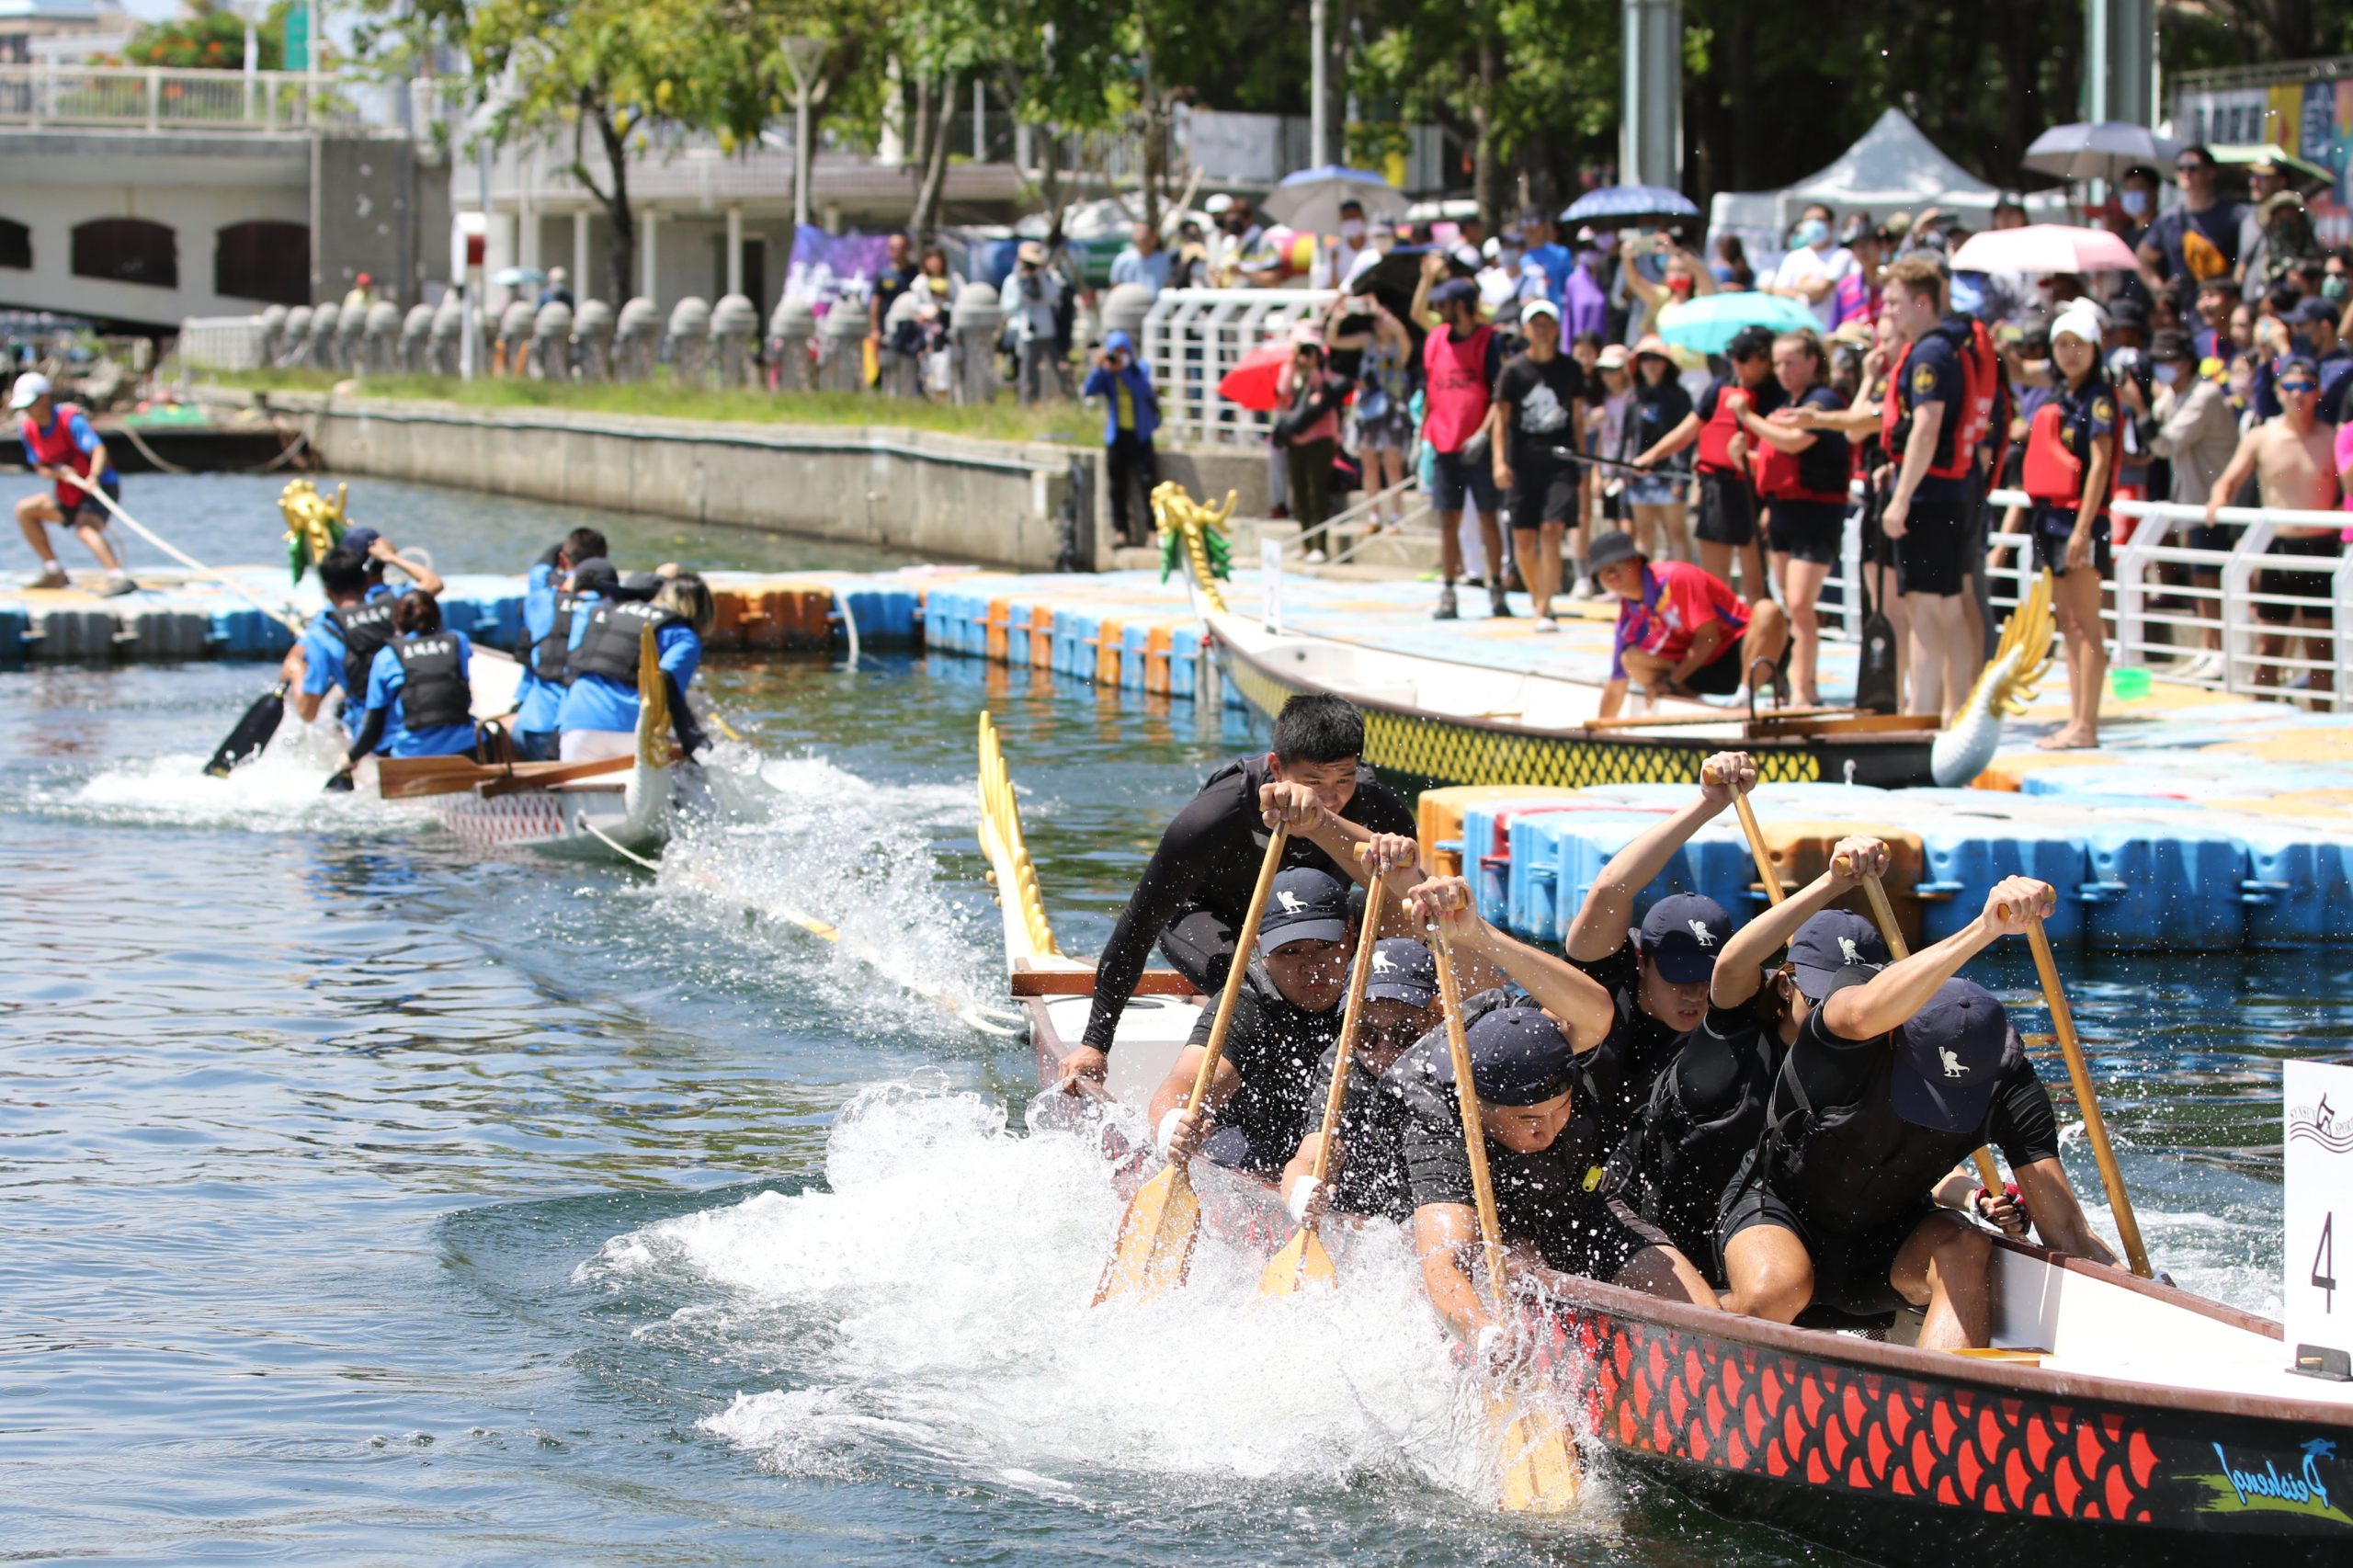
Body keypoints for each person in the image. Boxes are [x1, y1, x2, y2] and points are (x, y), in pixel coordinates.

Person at [1717, 877, 2120, 1350]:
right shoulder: (1847, 1034)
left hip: (1888, 1242)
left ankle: (1945, 1400)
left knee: (1968, 1246)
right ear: (1895, 1037)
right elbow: (1862, 1007)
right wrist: (1985, 928)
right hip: (1780, 1216)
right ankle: (1703, 1312)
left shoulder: (2009, 1082)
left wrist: (2145, 1298)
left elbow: (2067, 1231)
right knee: (1777, 1291)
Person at [1390, 874, 1720, 1349]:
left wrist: (1479, 933)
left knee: (1701, 1322)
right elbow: (1443, 1264)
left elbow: (1597, 1011)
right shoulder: (1442, 1124)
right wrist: (1485, 1337)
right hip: (1492, 1235)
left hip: (1579, 1207)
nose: (1548, 1129)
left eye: (1560, 1109)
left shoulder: (1552, 1046)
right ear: (1481, 1108)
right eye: (1527, 1120)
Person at [1065, 694, 1420, 1085]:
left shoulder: (1380, 811)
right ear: (1276, 767)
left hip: (1307, 923)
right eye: (1313, 782)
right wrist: (1095, 1043)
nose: (1331, 797)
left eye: (1344, 779)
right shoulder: (1217, 813)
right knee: (1260, 985)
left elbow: (1412, 921)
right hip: (1208, 918)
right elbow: (1140, 922)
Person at [1615, 836, 1891, 1276]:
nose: (1834, 1016)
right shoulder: (1734, 1034)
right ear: (1785, 985)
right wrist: (1832, 882)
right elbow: (1730, 966)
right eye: (1819, 999)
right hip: (1656, 1226)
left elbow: (1894, 1154)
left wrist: (1968, 1196)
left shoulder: (1872, 1058)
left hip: (1763, 1232)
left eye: (1850, 1002)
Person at [1556, 751, 1755, 1148]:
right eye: (1680, 975)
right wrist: (1709, 804)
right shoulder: (1606, 974)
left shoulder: (1733, 1003)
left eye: (1705, 977)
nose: (1696, 993)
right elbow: (1611, 888)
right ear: (1641, 960)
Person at [1148, 868, 1358, 1179]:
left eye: (1324, 946)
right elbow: (1187, 1079)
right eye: (1291, 952)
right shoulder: (1245, 1001)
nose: (1311, 966)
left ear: (1351, 933)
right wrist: (1172, 1123)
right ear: (1262, 950)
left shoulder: (1378, 987)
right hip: (1256, 1155)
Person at [1878, 255, 1983, 723]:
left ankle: (1922, 718)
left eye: (1896, 302)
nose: (1889, 310)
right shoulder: (1953, 346)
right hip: (1954, 491)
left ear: (1923, 302)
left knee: (1924, 611)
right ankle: (1954, 712)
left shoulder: (1930, 353)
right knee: (1949, 607)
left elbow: (1926, 427)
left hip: (1928, 497)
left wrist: (1900, 500)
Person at [1275, 937, 1444, 1226]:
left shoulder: (1462, 1057)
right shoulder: (1342, 1064)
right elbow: (1310, 1155)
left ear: (1436, 1016)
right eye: (1367, 1035)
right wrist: (1302, 1190)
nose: (1385, 1051)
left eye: (1406, 1034)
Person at [2207, 358, 2342, 697]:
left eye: (2307, 386)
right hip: (2276, 548)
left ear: (2319, 392)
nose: (2298, 395)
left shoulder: (2330, 438)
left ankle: (2321, 724)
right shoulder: (2261, 437)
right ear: (2279, 391)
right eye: (2291, 387)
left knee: (2320, 650)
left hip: (2321, 548)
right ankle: (2262, 714)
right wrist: (2218, 500)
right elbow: (2227, 480)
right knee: (2269, 647)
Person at [2016, 306, 2118, 751]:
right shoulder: (2062, 393)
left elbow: (2100, 465)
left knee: (2086, 624)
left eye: (2079, 344)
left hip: (2081, 518)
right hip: (2050, 517)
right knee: (2069, 624)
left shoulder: (2098, 396)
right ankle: (2076, 720)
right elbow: (2018, 369)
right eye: (2062, 344)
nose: (2070, 353)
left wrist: (2082, 530)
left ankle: (2086, 724)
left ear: (2095, 348)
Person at [1636, 324, 1783, 602]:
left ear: (1764, 358)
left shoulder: (1778, 393)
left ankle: (1757, 641)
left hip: (1755, 490)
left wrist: (1748, 436)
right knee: (1715, 584)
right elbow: (1690, 428)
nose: (1735, 363)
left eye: (1743, 356)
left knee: (1755, 586)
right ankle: (1721, 642)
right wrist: (1652, 455)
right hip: (1717, 487)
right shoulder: (1720, 386)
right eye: (1733, 355)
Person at [1742, 330, 1850, 707]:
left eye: (1791, 362)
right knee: (1791, 604)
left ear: (1811, 363)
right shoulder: (1786, 402)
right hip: (1786, 512)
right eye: (1778, 363)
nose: (1783, 370)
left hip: (1816, 513)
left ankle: (1804, 687)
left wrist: (1747, 419)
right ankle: (1798, 682)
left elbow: (1793, 441)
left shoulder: (1822, 402)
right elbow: (1781, 459)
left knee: (1802, 604)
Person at [1590, 528, 1788, 719]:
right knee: (1631, 659)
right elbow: (1617, 686)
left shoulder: (1676, 577)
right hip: (1696, 670)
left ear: (1637, 560)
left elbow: (1709, 639)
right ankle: (1690, 707)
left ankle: (1746, 698)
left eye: (1618, 565)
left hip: (1743, 654)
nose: (1612, 574)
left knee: (1767, 610)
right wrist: (1596, 734)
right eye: (1603, 571)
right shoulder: (1626, 618)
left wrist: (1671, 681)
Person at [1410, 259, 1507, 620]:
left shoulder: (1489, 340)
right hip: (1443, 443)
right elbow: (1432, 391)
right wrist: (1420, 438)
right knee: (1447, 520)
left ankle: (1496, 588)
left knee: (1487, 517)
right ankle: (1449, 591)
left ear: (1463, 306)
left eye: (1445, 304)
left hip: (1476, 445)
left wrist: (1483, 434)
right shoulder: (1436, 339)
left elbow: (1500, 396)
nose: (1438, 311)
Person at [2146, 329, 2240, 679]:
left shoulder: (2205, 394)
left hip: (2216, 500)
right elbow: (2150, 438)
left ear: (2185, 362)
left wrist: (2140, 406)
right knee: (2202, 577)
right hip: (2194, 500)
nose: (2162, 368)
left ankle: (2221, 652)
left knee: (2210, 577)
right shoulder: (2175, 395)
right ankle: (2208, 648)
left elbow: (2164, 444)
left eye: (2167, 360)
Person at [1490, 298, 1586, 629]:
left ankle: (1545, 605)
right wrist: (1499, 462)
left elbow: (1577, 420)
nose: (1542, 330)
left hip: (1559, 460)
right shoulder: (1513, 370)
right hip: (1522, 461)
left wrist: (1583, 463)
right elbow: (1500, 421)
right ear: (1526, 329)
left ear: (1557, 328)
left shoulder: (1570, 369)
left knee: (1552, 529)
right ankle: (1537, 597)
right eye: (1536, 324)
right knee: (1523, 539)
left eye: (1548, 323)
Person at [556, 568, 715, 762]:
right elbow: (665, 683)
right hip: (634, 731)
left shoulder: (599, 611)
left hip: (578, 724)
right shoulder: (683, 636)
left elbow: (572, 667)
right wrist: (691, 740)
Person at [324, 589, 478, 789]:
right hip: (466, 750)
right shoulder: (459, 642)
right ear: (438, 618)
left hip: (413, 757)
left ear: (396, 623)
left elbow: (374, 726)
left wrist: (350, 757)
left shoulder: (386, 657)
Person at [13, 372, 131, 595]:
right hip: (68, 489)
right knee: (25, 510)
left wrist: (93, 477)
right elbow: (41, 468)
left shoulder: (71, 420)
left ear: (45, 398)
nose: (28, 411)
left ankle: (118, 577)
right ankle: (54, 571)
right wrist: (57, 473)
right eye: (24, 406)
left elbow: (98, 449)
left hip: (98, 486)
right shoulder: (27, 430)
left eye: (31, 404)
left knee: (85, 528)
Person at [514, 527, 611, 761]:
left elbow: (539, 569)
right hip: (579, 729)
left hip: (533, 725)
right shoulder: (606, 608)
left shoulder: (541, 599)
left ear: (563, 559)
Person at [283, 545, 390, 735]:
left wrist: (297, 671)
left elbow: (308, 712)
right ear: (367, 583)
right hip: (422, 717)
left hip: (375, 734)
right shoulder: (396, 606)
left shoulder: (321, 634)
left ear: (326, 591)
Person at [1331, 293, 1415, 531]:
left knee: (1392, 465)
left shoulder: (1401, 346)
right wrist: (1337, 317)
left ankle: (1396, 516)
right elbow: (1333, 340)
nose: (1378, 322)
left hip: (1391, 411)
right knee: (1369, 465)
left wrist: (1381, 311)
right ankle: (1374, 516)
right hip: (1367, 411)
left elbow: (1401, 333)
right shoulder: (1366, 340)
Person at [2137, 146, 2245, 325]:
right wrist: (2160, 290)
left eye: (2193, 167)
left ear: (2210, 173)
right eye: (2180, 168)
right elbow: (2142, 258)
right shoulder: (2169, 219)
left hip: (2220, 317)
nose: (2186, 173)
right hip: (2182, 315)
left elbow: (2244, 263)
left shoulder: (2233, 216)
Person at [1620, 335, 1695, 564]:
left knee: (1676, 533)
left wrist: (1679, 479)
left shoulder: (1679, 396)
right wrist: (1623, 470)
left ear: (1666, 364)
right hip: (1638, 473)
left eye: (1656, 359)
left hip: (1669, 473)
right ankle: (1647, 590)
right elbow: (1627, 436)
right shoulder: (1634, 395)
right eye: (1645, 359)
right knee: (1644, 533)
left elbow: (1687, 437)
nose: (1651, 364)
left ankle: (1681, 586)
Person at [1081, 331, 1160, 549]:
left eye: (1123, 351)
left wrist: (1123, 371)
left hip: (1140, 434)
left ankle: (1153, 530)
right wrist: (1099, 368)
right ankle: (1121, 531)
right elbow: (1088, 390)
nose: (1119, 356)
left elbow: (1143, 390)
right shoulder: (1107, 373)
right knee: (1117, 486)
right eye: (1115, 352)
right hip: (1117, 435)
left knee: (1148, 484)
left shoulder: (1139, 368)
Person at [1273, 334, 1345, 559]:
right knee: (1300, 493)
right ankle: (1305, 543)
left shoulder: (1325, 373)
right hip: (1296, 440)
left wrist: (1317, 365)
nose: (1304, 357)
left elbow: (1330, 388)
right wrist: (1292, 362)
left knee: (1317, 492)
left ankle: (1319, 546)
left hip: (1321, 438)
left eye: (1307, 352)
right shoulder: (1295, 375)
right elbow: (1282, 390)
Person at [1768, 204, 1858, 331]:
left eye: (1820, 220)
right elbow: (1778, 292)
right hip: (1799, 330)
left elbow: (1822, 289)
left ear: (1831, 224)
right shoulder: (1793, 257)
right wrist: (1802, 293)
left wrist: (1792, 292)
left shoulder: (1842, 255)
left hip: (1830, 331)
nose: (1814, 224)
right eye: (1809, 220)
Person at [1003, 241, 1064, 404]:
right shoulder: (1013, 280)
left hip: (1048, 330)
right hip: (1027, 331)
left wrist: (1040, 276)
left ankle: (1064, 398)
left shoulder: (1049, 277)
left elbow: (1052, 298)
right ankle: (1028, 402)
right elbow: (1008, 305)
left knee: (1057, 368)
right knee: (1028, 372)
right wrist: (1020, 281)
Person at [1309, 199, 1373, 291]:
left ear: (1363, 218)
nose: (1351, 221)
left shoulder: (1374, 249)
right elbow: (1333, 287)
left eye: (1354, 217)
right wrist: (1333, 264)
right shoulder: (1334, 251)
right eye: (1347, 218)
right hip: (1344, 301)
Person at [1109, 220, 1172, 298]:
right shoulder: (1122, 259)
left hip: (1156, 306)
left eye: (1147, 234)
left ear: (1154, 237)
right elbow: (1115, 286)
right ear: (1134, 235)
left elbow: (1169, 284)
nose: (1143, 237)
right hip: (1130, 305)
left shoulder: (1163, 260)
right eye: (1139, 233)